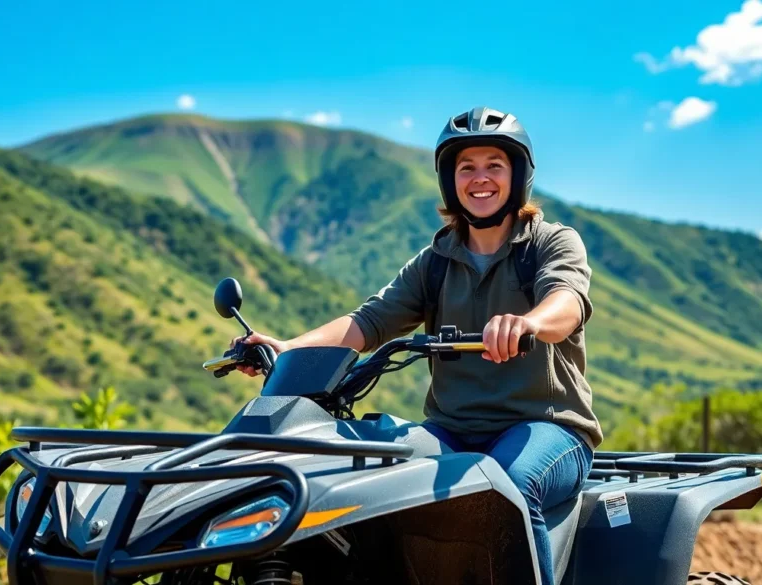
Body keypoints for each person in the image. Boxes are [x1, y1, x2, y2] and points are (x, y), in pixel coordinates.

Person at [232, 107, 601, 585]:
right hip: (452, 430)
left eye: (494, 165)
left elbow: (566, 301)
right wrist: (287, 348)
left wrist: (528, 322)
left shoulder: (550, 243)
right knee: (366, 468)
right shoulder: (435, 261)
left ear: (518, 175)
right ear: (450, 180)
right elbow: (369, 321)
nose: (480, 178)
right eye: (466, 167)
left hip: (549, 429)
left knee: (509, 486)